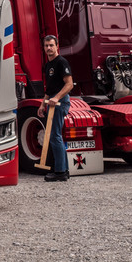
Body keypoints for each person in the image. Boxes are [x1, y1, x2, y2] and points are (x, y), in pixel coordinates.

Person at [37, 35, 74, 182]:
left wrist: (57, 98)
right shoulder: (48, 65)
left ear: (57, 46)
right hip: (52, 102)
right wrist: (42, 104)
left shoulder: (61, 62)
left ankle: (60, 172)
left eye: (51, 45)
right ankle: (63, 170)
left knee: (54, 136)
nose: (49, 48)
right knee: (54, 136)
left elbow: (69, 84)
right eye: (46, 46)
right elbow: (50, 88)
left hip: (60, 102)